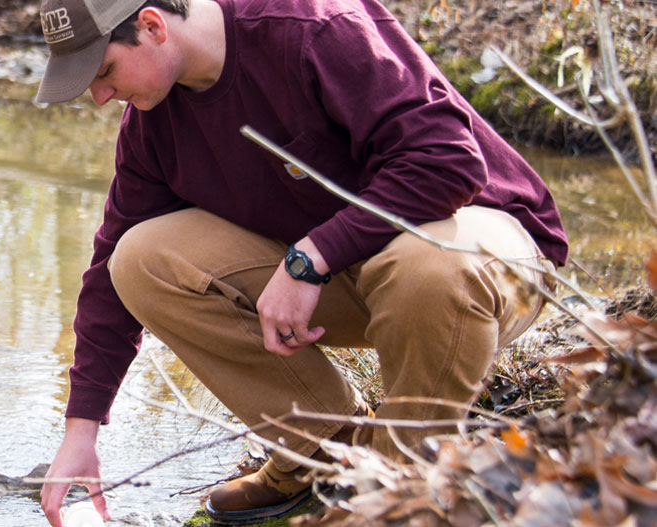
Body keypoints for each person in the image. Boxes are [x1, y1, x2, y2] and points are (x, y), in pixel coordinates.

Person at [31, 0, 569, 525]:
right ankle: (324, 455)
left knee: (426, 267)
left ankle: (405, 485)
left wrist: (310, 259)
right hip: (352, 275)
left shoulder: (316, 27)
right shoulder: (152, 123)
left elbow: (447, 160)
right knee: (139, 260)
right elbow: (107, 272)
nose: (102, 97)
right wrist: (82, 427)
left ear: (152, 25)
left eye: (104, 71)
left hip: (482, 251)